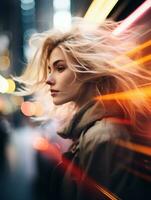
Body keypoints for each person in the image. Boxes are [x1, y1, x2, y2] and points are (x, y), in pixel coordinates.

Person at [14, 18, 151, 200]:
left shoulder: (102, 136)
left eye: (60, 68)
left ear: (87, 71)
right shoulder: (92, 132)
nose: (49, 79)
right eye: (49, 70)